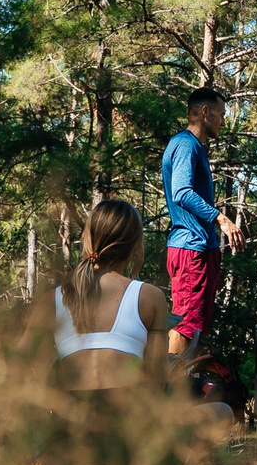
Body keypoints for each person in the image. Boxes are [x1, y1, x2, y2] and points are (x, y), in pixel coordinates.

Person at [53, 199, 171, 390]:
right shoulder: (149, 297)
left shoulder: (53, 299)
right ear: (135, 246)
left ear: (88, 239)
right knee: (221, 409)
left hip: (69, 416)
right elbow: (157, 378)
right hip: (125, 416)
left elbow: (20, 366)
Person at [160, 86, 240, 358]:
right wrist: (221, 218)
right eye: (220, 114)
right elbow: (181, 192)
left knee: (195, 327)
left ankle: (182, 391)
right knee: (186, 324)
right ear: (205, 112)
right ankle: (168, 392)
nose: (223, 121)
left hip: (200, 250)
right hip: (191, 250)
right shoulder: (185, 144)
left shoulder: (194, 147)